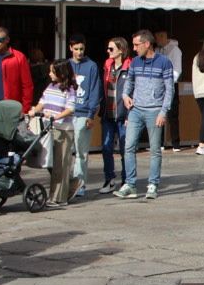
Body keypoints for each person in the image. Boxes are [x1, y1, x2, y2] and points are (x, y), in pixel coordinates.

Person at [114, 30, 175, 200]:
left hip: (154, 110)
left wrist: (163, 112)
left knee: (155, 149)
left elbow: (170, 89)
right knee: (128, 146)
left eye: (136, 45)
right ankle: (130, 184)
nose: (134, 48)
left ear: (147, 44)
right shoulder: (134, 62)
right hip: (136, 110)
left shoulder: (164, 63)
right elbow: (129, 82)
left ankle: (153, 184)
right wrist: (125, 96)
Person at [32, 59, 79, 207]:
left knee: (61, 164)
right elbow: (42, 102)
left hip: (63, 130)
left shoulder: (70, 89)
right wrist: (34, 110)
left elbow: (70, 109)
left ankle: (59, 198)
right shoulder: (50, 86)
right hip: (49, 129)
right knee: (49, 162)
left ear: (61, 72)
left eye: (53, 71)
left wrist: (56, 117)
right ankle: (72, 184)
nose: (50, 74)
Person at [66, 35, 102, 191]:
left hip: (83, 112)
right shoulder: (66, 65)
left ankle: (80, 184)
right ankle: (65, 183)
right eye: (76, 49)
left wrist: (91, 114)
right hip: (67, 113)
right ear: (70, 48)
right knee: (65, 152)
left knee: (81, 152)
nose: (79, 52)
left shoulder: (91, 66)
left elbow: (95, 90)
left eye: (81, 49)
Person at [98, 37, 132, 193]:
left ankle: (126, 181)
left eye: (111, 49)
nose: (108, 51)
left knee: (126, 149)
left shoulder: (129, 67)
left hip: (123, 114)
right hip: (108, 113)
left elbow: (133, 91)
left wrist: (130, 115)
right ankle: (109, 179)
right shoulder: (107, 66)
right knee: (106, 148)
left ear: (121, 50)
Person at [154, 29, 183, 151]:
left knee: (172, 115)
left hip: (171, 84)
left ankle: (175, 143)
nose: (155, 40)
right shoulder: (157, 50)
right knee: (158, 112)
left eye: (157, 37)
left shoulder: (175, 50)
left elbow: (177, 69)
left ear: (162, 36)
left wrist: (169, 82)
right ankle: (159, 142)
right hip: (158, 85)